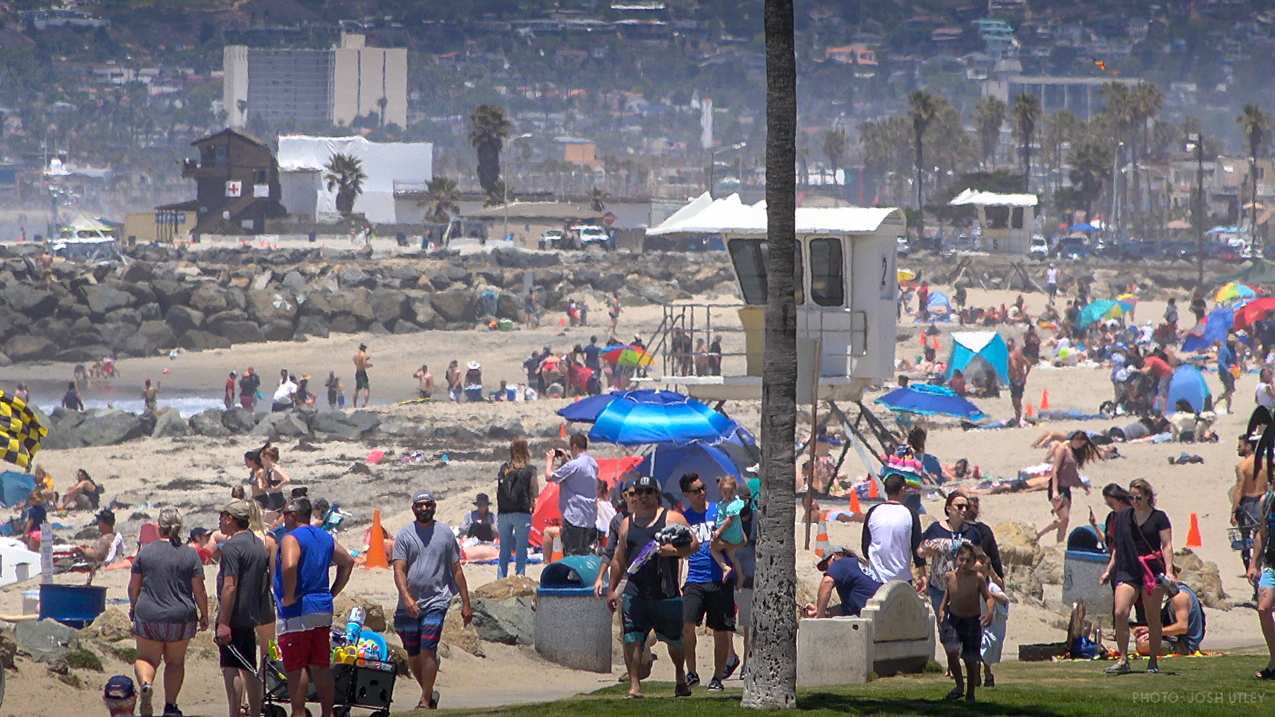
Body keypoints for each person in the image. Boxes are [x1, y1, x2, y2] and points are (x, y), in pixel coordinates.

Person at [602, 474, 698, 698]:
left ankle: (679, 677)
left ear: (657, 495)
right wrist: (612, 589)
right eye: (638, 493)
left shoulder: (672, 518)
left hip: (666, 593)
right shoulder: (627, 523)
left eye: (648, 492)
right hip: (636, 592)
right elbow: (618, 559)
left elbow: (693, 544)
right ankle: (634, 685)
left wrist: (673, 552)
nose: (643, 497)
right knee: (632, 638)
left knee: (674, 641)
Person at [274, 496, 355, 717]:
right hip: (321, 606)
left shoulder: (291, 538)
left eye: (284, 514)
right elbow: (348, 561)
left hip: (299, 608)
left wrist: (289, 595)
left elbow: (290, 564)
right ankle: (327, 713)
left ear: (292, 515)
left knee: (296, 665)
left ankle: (298, 712)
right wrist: (332, 593)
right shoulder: (324, 537)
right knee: (320, 664)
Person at [392, 491, 473, 711]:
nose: (424, 509)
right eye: (420, 505)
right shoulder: (404, 535)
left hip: (437, 600)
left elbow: (456, 570)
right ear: (413, 509)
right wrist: (407, 598)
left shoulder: (445, 533)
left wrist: (466, 603)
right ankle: (428, 691)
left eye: (428, 505)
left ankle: (425, 701)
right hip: (408, 604)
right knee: (413, 654)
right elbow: (398, 569)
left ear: (434, 507)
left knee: (428, 649)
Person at [128, 508, 208, 717]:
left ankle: (146, 685)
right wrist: (205, 615)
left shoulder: (145, 552)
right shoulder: (190, 554)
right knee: (175, 662)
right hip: (180, 617)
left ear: (159, 527)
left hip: (149, 614)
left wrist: (133, 607)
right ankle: (171, 706)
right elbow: (199, 589)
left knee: (146, 658)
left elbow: (133, 586)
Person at [1101, 478, 1175, 675]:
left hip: (1151, 571)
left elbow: (1167, 545)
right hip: (1128, 568)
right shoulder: (1123, 517)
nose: (1134, 501)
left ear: (1148, 497)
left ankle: (1152, 660)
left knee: (1152, 618)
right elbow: (1116, 547)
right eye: (1131, 497)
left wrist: (1169, 570)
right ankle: (1123, 659)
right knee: (1120, 612)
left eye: (1138, 498)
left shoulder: (1159, 517)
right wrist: (1109, 570)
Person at [678, 473, 741, 692]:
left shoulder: (718, 509)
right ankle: (692, 672)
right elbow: (680, 551)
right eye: (696, 490)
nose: (702, 492)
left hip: (719, 579)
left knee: (720, 631)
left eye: (703, 487)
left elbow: (737, 538)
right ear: (686, 494)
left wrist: (723, 546)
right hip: (694, 578)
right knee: (686, 626)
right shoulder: (684, 518)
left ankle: (717, 677)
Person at [214, 500, 269, 717]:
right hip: (251, 614)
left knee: (231, 667)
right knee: (248, 666)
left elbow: (230, 586)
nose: (219, 520)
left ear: (230, 518)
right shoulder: (258, 544)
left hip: (234, 616)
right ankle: (255, 712)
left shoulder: (232, 547)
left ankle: (234, 713)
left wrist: (224, 622)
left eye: (222, 515)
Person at [937, 543, 995, 703]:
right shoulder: (950, 576)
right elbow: (947, 596)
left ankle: (970, 693)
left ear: (973, 562)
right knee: (951, 651)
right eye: (961, 559)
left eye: (967, 560)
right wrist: (941, 610)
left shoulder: (978, 578)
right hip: (954, 618)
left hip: (971, 620)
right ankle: (959, 686)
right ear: (956, 559)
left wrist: (989, 613)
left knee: (970, 659)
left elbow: (988, 597)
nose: (963, 563)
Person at [861, 473, 925, 586]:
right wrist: (922, 575)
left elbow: (865, 546)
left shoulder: (873, 512)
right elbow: (917, 547)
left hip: (875, 578)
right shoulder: (910, 514)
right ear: (903, 489)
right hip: (902, 578)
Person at [1036, 431, 1099, 543]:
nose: (1080, 445)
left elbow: (1073, 473)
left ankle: (1059, 544)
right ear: (1073, 439)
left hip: (1066, 489)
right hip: (1057, 487)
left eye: (1082, 443)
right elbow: (1055, 471)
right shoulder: (1062, 449)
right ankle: (1039, 534)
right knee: (1064, 518)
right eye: (1078, 442)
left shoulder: (1073, 453)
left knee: (1064, 522)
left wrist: (1082, 485)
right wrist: (1055, 491)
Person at [545, 433, 599, 556]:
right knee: (585, 554)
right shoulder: (593, 464)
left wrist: (549, 460)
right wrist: (566, 461)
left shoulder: (574, 465)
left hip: (574, 517)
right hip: (589, 517)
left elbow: (549, 477)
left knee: (571, 555)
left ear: (574, 446)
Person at [1246, 470, 1275, 679]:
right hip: (1272, 563)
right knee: (1263, 608)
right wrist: (1253, 563)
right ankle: (1274, 661)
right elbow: (1262, 531)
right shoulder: (1268, 500)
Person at [496, 439, 537, 578]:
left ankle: (500, 580)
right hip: (522, 513)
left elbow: (500, 489)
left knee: (504, 551)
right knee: (521, 551)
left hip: (504, 512)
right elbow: (534, 492)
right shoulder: (530, 470)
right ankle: (520, 579)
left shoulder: (504, 468)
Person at [803, 547, 882, 618]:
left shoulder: (841, 563)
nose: (827, 570)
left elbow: (827, 582)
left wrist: (819, 616)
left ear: (835, 556)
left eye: (826, 565)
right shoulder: (853, 567)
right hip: (881, 610)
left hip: (874, 615)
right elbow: (845, 609)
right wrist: (823, 611)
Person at [1134, 581, 1205, 656]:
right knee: (1141, 640)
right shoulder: (1173, 595)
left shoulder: (1179, 596)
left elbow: (1182, 628)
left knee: (1144, 644)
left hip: (1185, 645)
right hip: (1174, 639)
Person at [976, 551, 1010, 688]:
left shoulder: (991, 587)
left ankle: (987, 672)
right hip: (975, 621)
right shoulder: (971, 586)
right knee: (975, 648)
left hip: (990, 623)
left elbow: (1004, 599)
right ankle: (976, 675)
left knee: (985, 648)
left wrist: (988, 594)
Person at [709, 476, 747, 587]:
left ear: (735, 490)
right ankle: (740, 576)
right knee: (732, 556)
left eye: (730, 492)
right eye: (725, 492)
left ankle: (725, 567)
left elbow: (729, 521)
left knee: (712, 548)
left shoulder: (733, 505)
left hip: (729, 535)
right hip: (735, 536)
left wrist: (718, 532)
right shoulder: (731, 502)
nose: (728, 495)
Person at [963, 496, 1004, 584]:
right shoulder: (985, 530)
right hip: (981, 577)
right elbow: (994, 557)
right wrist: (1000, 577)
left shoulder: (955, 528)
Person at [253, 445, 289, 523]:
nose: (261, 461)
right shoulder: (269, 469)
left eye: (262, 459)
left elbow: (287, 479)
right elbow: (263, 480)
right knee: (269, 523)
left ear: (267, 458)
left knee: (265, 522)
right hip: (271, 499)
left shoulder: (275, 468)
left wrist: (276, 488)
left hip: (277, 500)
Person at [1007, 338, 1031, 426]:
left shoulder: (1010, 356)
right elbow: (1028, 364)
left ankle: (1018, 419)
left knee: (1015, 401)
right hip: (1021, 380)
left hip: (1015, 380)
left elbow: (1013, 367)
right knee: (1019, 399)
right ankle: (1019, 418)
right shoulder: (1019, 354)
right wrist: (1025, 375)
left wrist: (1011, 376)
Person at [1218, 337, 1239, 414]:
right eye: (1232, 342)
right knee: (1230, 390)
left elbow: (1234, 360)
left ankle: (1227, 409)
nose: (1234, 343)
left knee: (1230, 390)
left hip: (1232, 373)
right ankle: (1215, 403)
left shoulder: (1232, 349)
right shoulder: (1224, 349)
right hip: (1224, 373)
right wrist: (1227, 369)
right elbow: (1221, 362)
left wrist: (1237, 368)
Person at [353, 343, 372, 408]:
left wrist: (360, 364)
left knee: (357, 389)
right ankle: (365, 404)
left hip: (357, 371)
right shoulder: (363, 355)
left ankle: (354, 405)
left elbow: (355, 361)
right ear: (364, 348)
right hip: (362, 372)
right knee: (366, 388)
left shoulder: (356, 355)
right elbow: (364, 364)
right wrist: (369, 365)